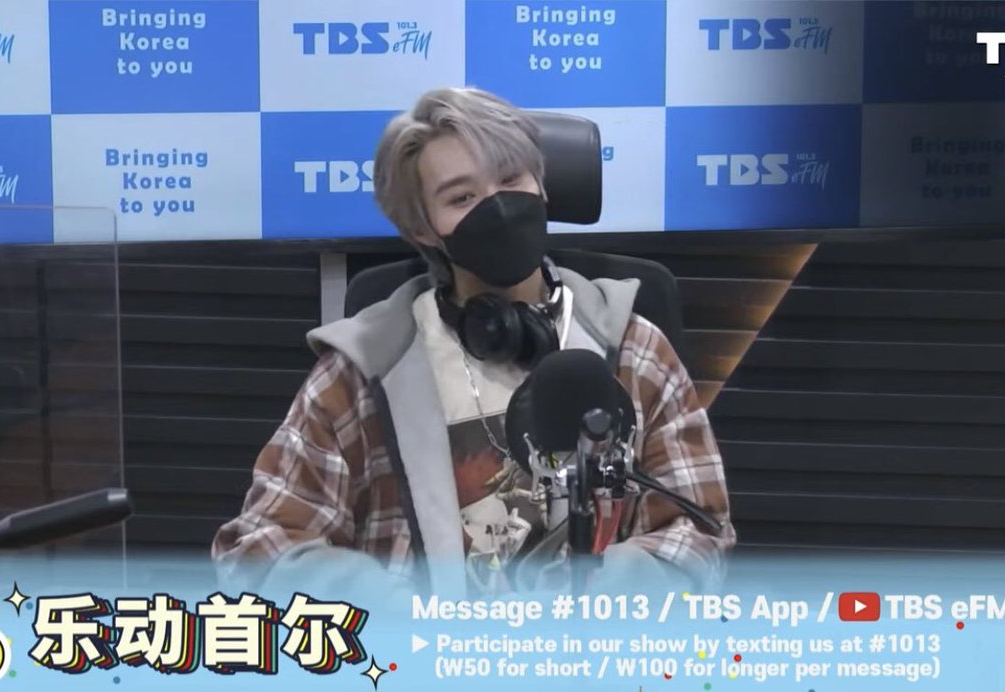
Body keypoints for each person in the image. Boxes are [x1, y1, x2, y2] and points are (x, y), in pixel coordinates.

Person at [211, 86, 735, 598]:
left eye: (510, 178)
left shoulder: (634, 351)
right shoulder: (364, 370)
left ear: (542, 185)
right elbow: (257, 549)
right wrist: (380, 603)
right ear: (424, 229)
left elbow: (702, 533)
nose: (498, 207)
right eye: (461, 197)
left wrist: (628, 580)